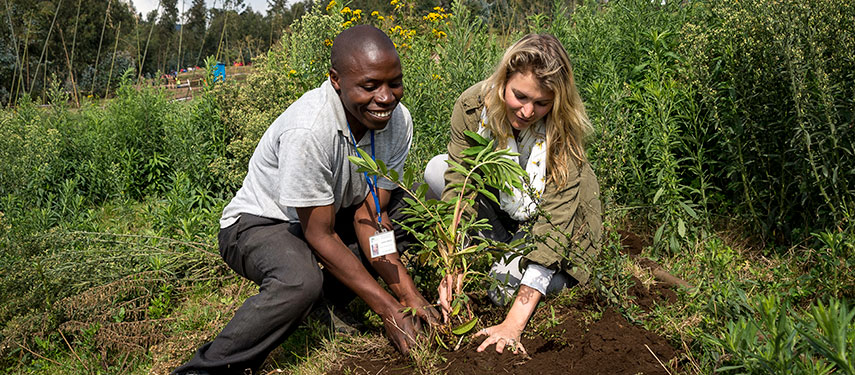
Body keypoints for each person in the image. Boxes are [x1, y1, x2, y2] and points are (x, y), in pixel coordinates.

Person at [174, 25, 439, 375]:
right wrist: (388, 309)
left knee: (406, 212)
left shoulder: (396, 121)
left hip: (331, 213)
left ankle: (324, 306)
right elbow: (320, 235)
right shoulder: (310, 129)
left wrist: (408, 295)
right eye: (370, 86)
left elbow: (372, 213)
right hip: (262, 224)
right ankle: (205, 369)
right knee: (299, 281)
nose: (386, 97)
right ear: (336, 80)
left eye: (394, 82)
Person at [424, 33, 602, 355]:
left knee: (502, 290)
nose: (527, 111)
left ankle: (517, 267)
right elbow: (458, 185)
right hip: (510, 213)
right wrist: (454, 262)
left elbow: (556, 226)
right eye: (520, 96)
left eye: (542, 103)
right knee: (437, 169)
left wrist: (513, 325)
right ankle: (503, 255)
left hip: (557, 229)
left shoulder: (564, 130)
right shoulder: (472, 106)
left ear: (557, 102)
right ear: (504, 79)